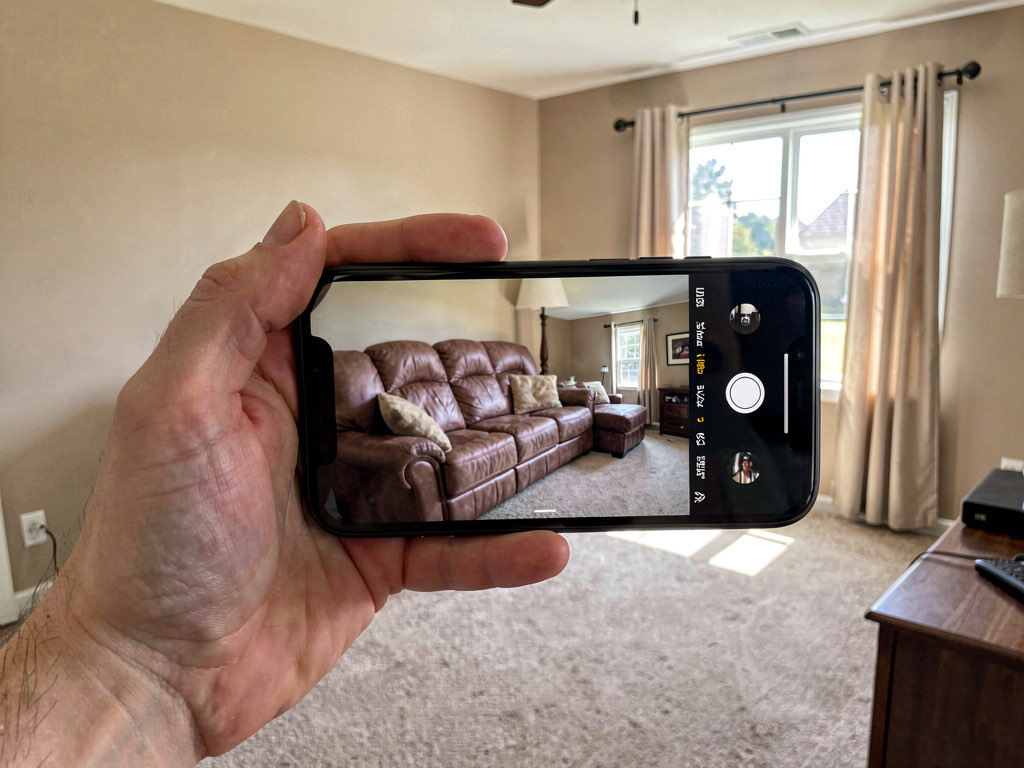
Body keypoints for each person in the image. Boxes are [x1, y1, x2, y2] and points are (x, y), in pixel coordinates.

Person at [0, 202, 571, 765]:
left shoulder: (507, 365)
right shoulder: (367, 396)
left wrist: (124, 667)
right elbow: (358, 438)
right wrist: (134, 656)